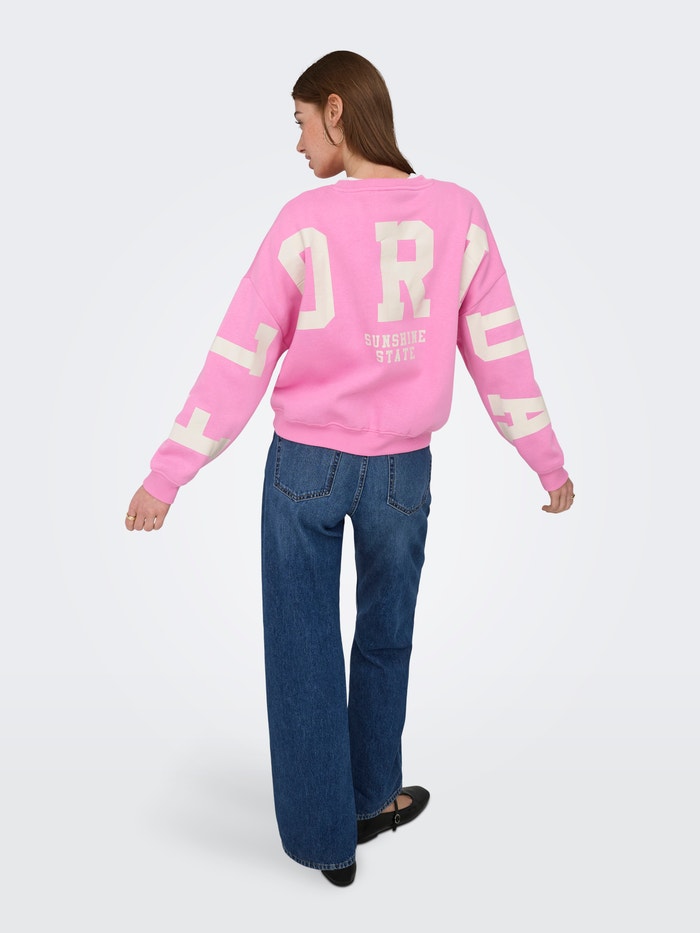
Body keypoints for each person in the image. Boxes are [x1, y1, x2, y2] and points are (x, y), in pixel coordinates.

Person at [125, 50, 575, 887]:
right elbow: (500, 350)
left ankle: (326, 839)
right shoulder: (460, 213)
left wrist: (168, 472)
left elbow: (241, 353)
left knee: (302, 647)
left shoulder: (304, 221)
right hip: (403, 471)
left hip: (306, 465)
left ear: (337, 110)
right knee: (386, 636)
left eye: (301, 122)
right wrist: (545, 460)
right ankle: (370, 797)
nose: (298, 144)